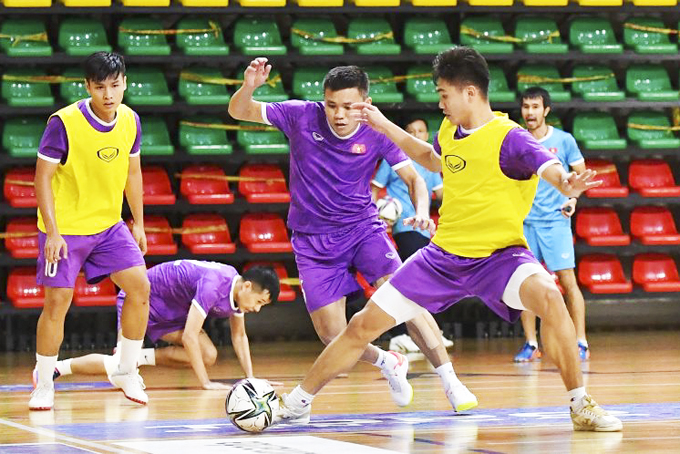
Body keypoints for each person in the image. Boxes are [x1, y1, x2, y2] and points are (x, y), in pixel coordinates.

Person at [274, 47, 622, 432]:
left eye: (443, 94)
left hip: (500, 258)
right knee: (360, 326)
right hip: (442, 257)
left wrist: (566, 184)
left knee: (550, 297)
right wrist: (384, 124)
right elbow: (431, 159)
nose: (440, 102)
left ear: (469, 92)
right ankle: (295, 403)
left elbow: (550, 168)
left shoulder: (511, 138)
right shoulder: (449, 131)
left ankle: (580, 403)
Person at [228, 59, 477, 411]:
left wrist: (421, 212)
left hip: (363, 230)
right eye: (332, 105)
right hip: (312, 240)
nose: (339, 115)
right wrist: (250, 86)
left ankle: (451, 383)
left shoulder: (376, 130)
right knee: (332, 333)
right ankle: (388, 362)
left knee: (406, 296)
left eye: (348, 106)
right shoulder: (301, 115)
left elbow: (415, 179)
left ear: (365, 102)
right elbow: (240, 111)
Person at [30, 52, 151, 411]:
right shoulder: (63, 122)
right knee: (57, 304)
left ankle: (126, 370)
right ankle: (44, 379)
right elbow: (42, 177)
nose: (109, 94)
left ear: (125, 82)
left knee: (140, 287)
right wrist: (52, 232)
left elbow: (133, 173)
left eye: (115, 86)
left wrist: (139, 222)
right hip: (65, 229)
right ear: (87, 87)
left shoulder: (130, 120)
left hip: (108, 226)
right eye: (100, 87)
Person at [37, 261, 279, 390]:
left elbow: (240, 337)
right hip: (141, 299)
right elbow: (189, 337)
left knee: (208, 354)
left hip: (172, 310)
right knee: (120, 365)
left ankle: (139, 358)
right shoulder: (213, 284)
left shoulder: (237, 292)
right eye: (258, 302)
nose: (256, 309)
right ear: (247, 286)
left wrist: (251, 379)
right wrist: (205, 383)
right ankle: (56, 368)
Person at [515, 87, 589, 363]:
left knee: (569, 283)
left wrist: (572, 199)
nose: (530, 112)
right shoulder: (515, 138)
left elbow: (580, 176)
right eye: (526, 107)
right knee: (525, 286)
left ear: (546, 110)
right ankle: (531, 343)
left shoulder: (564, 140)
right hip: (524, 224)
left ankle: (580, 340)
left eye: (535, 107)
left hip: (556, 222)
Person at [371, 118, 450, 354]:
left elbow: (439, 194)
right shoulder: (394, 157)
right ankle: (403, 334)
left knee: (424, 282)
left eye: (420, 131)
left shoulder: (430, 163)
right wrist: (378, 212)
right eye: (411, 131)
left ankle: (422, 332)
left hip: (426, 230)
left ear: (427, 135)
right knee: (411, 282)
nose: (416, 134)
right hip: (405, 228)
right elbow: (375, 188)